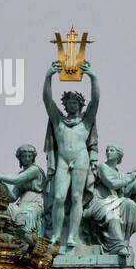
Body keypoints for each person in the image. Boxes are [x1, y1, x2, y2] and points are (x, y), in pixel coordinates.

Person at [42, 60, 100, 252]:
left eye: (75, 101)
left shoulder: (86, 121)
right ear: (65, 104)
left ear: (80, 104)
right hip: (63, 160)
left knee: (76, 197)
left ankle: (72, 236)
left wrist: (93, 77)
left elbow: (96, 101)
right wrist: (48, 76)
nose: (72, 104)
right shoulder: (58, 120)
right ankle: (57, 235)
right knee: (58, 197)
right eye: (69, 102)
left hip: (81, 158)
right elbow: (47, 100)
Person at [0, 144, 45, 234]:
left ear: (33, 157)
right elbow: (13, 197)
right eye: (24, 156)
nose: (27, 158)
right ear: (20, 158)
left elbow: (15, 180)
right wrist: (2, 185)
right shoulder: (21, 174)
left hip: (35, 202)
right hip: (22, 202)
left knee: (23, 216)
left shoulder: (35, 170)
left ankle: (26, 238)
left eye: (29, 156)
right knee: (6, 210)